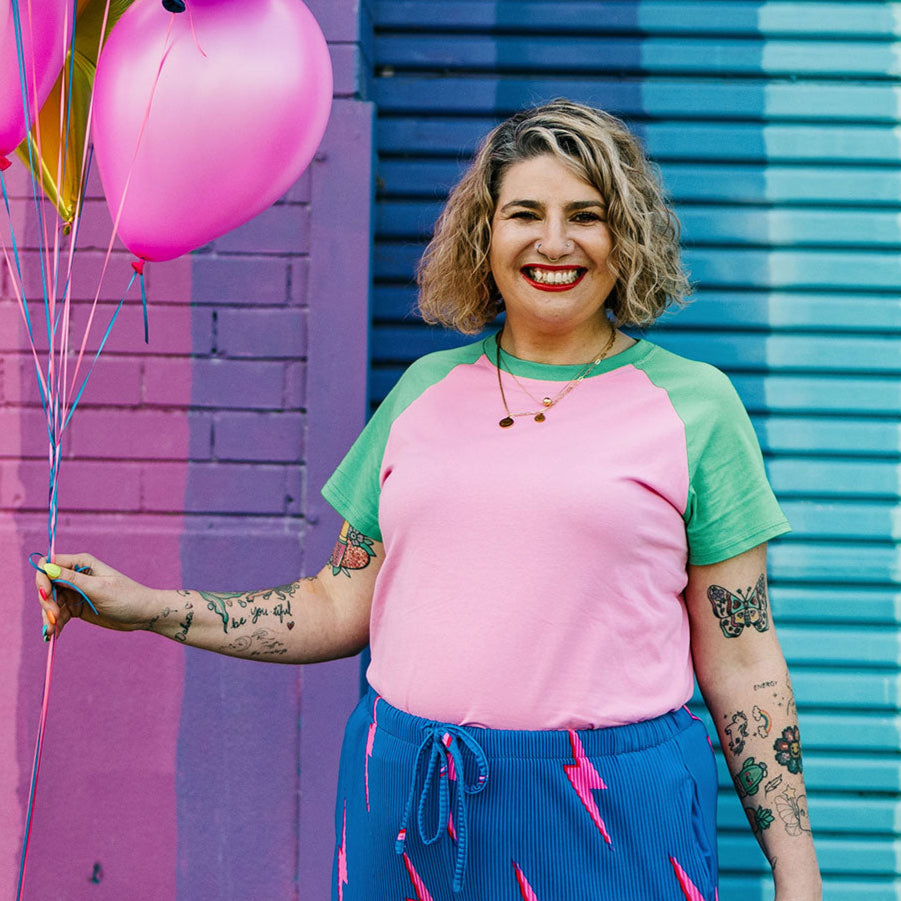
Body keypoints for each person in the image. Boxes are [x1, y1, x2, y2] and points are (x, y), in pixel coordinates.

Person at [36, 100, 821, 900]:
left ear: (627, 235)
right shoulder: (421, 394)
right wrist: (148, 606)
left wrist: (797, 873)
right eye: (524, 213)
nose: (554, 243)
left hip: (616, 808)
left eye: (585, 215)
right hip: (412, 798)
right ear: (484, 235)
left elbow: (742, 653)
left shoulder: (694, 405)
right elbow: (333, 604)